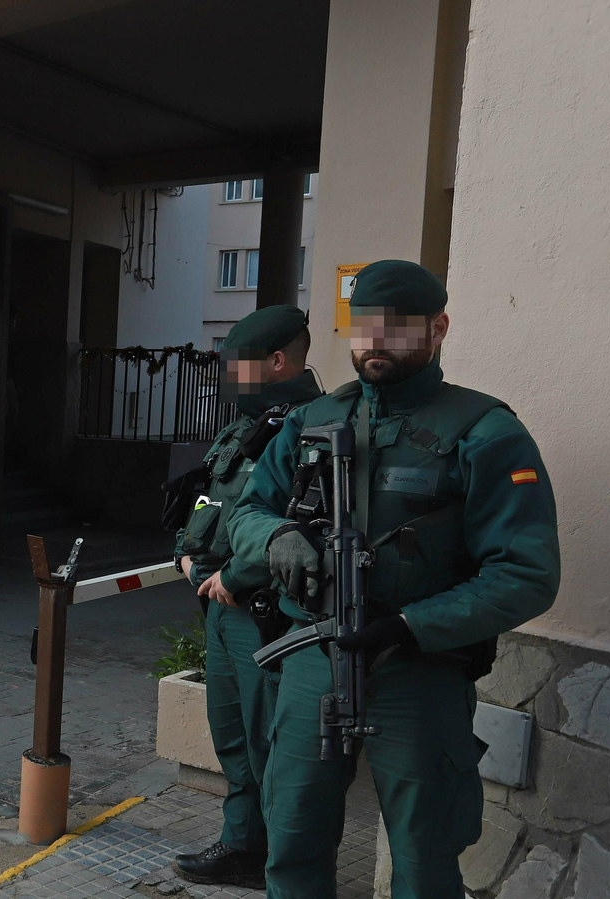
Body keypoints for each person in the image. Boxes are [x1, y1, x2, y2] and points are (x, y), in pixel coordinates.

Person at [227, 260, 560, 899]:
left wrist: (410, 627)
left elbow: (527, 574)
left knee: (423, 855)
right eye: (363, 325)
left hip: (417, 672)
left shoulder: (485, 432)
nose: (375, 340)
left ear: (438, 328)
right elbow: (246, 512)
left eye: (396, 326)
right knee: (291, 840)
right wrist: (275, 536)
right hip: (312, 662)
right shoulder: (310, 421)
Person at [169, 305, 323, 889]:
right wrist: (185, 551)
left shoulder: (313, 426)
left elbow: (306, 525)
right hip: (219, 607)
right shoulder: (244, 427)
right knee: (232, 734)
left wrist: (236, 577)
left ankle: (287, 867)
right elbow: (210, 502)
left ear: (277, 361)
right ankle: (243, 848)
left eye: (237, 365)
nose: (226, 376)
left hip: (267, 615)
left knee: (272, 746)